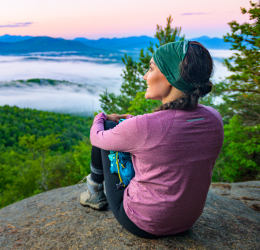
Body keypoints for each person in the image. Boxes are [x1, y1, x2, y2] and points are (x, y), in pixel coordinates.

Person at [79, 40, 224, 239]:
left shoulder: (146, 127)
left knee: (108, 128)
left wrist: (100, 117)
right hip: (187, 220)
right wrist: (132, 125)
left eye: (151, 68)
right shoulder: (214, 118)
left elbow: (97, 138)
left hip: (144, 222)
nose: (145, 76)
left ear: (172, 76)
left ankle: (93, 192)